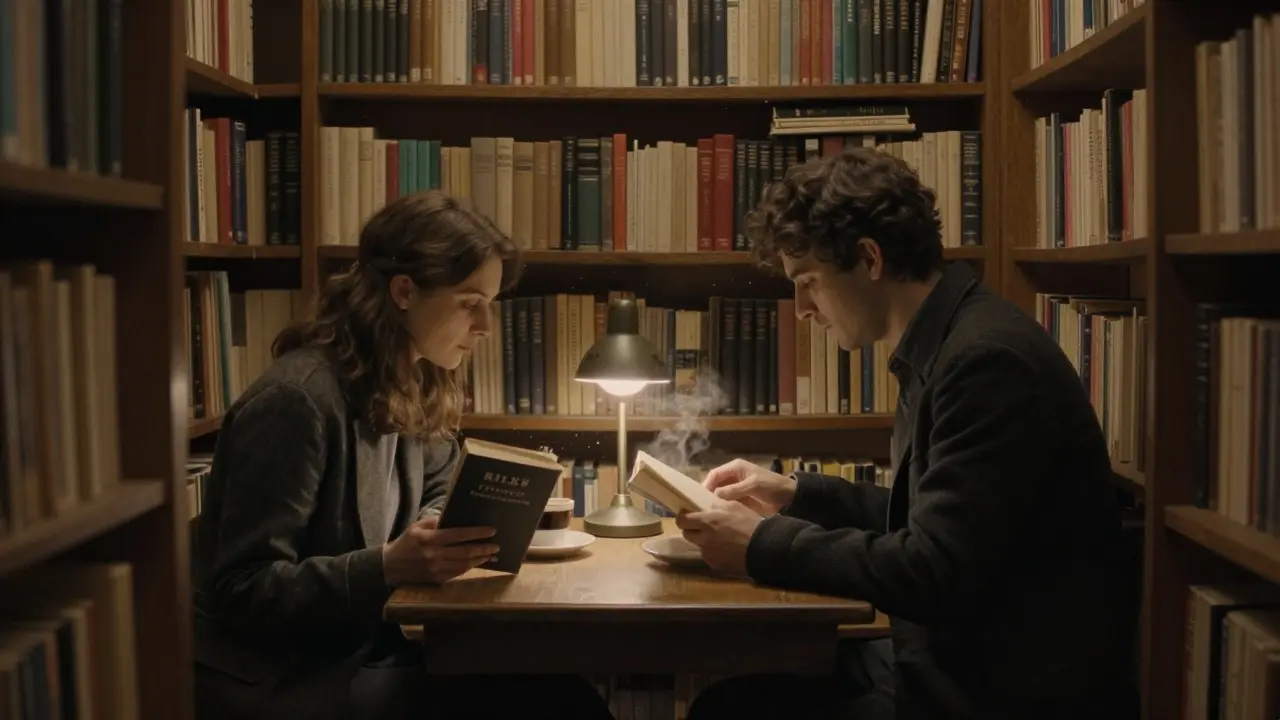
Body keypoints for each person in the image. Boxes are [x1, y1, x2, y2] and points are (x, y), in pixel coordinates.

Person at [676, 148, 1139, 720]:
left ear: (869, 259)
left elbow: (933, 570)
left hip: (990, 690)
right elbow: (936, 517)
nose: (800, 309)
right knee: (728, 701)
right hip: (946, 657)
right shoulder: (949, 340)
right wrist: (796, 493)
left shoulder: (986, 361)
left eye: (808, 282)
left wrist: (761, 544)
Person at [191, 192, 615, 720]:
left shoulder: (412, 378)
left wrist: (437, 524)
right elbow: (243, 590)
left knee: (559, 692)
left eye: (491, 304)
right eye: (469, 302)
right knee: (553, 702)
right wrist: (389, 565)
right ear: (404, 292)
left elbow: (439, 480)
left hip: (364, 650)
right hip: (286, 678)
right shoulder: (295, 402)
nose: (485, 327)